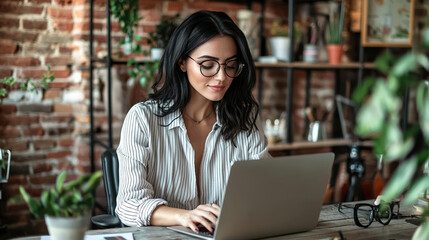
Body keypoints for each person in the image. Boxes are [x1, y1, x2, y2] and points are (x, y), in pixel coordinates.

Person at [115, 10, 270, 233]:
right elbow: (128, 205)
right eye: (208, 65)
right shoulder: (142, 119)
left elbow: (264, 191)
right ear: (182, 63)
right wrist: (185, 216)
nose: (222, 77)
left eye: (230, 65)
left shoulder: (246, 118)